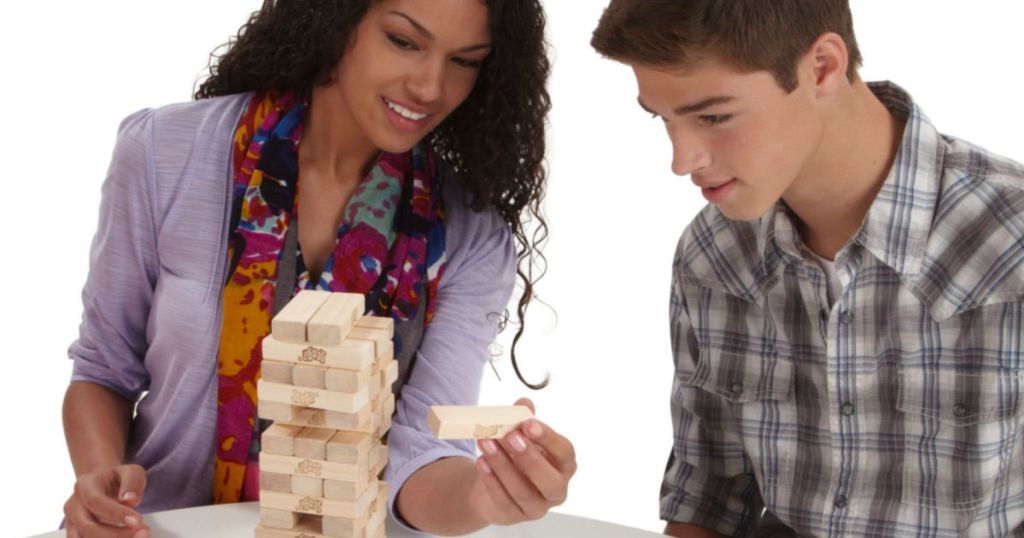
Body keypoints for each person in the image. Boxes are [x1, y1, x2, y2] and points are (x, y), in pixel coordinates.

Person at [62, 1, 577, 536]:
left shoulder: (472, 235)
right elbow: (104, 370)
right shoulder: (162, 152)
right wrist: (102, 484)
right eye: (403, 41)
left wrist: (486, 496)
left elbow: (421, 453)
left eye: (465, 62)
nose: (430, 87)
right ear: (335, 17)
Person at [591, 0, 1024, 536]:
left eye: (713, 116)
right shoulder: (713, 254)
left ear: (822, 66)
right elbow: (708, 494)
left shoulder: (1012, 241)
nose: (682, 160)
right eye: (664, 118)